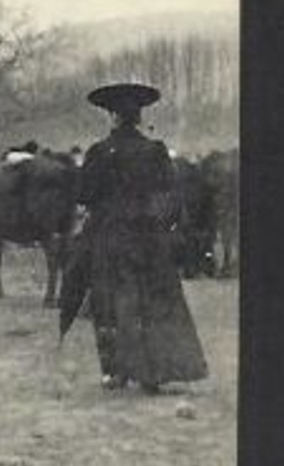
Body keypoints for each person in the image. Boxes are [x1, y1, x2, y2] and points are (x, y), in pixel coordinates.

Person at [74, 82, 208, 392]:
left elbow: (85, 195)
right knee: (153, 301)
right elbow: (172, 197)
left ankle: (116, 372)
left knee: (109, 301)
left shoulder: (98, 151)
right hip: (148, 237)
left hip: (110, 236)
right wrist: (160, 223)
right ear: (137, 117)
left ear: (112, 117)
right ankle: (153, 372)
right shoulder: (156, 151)